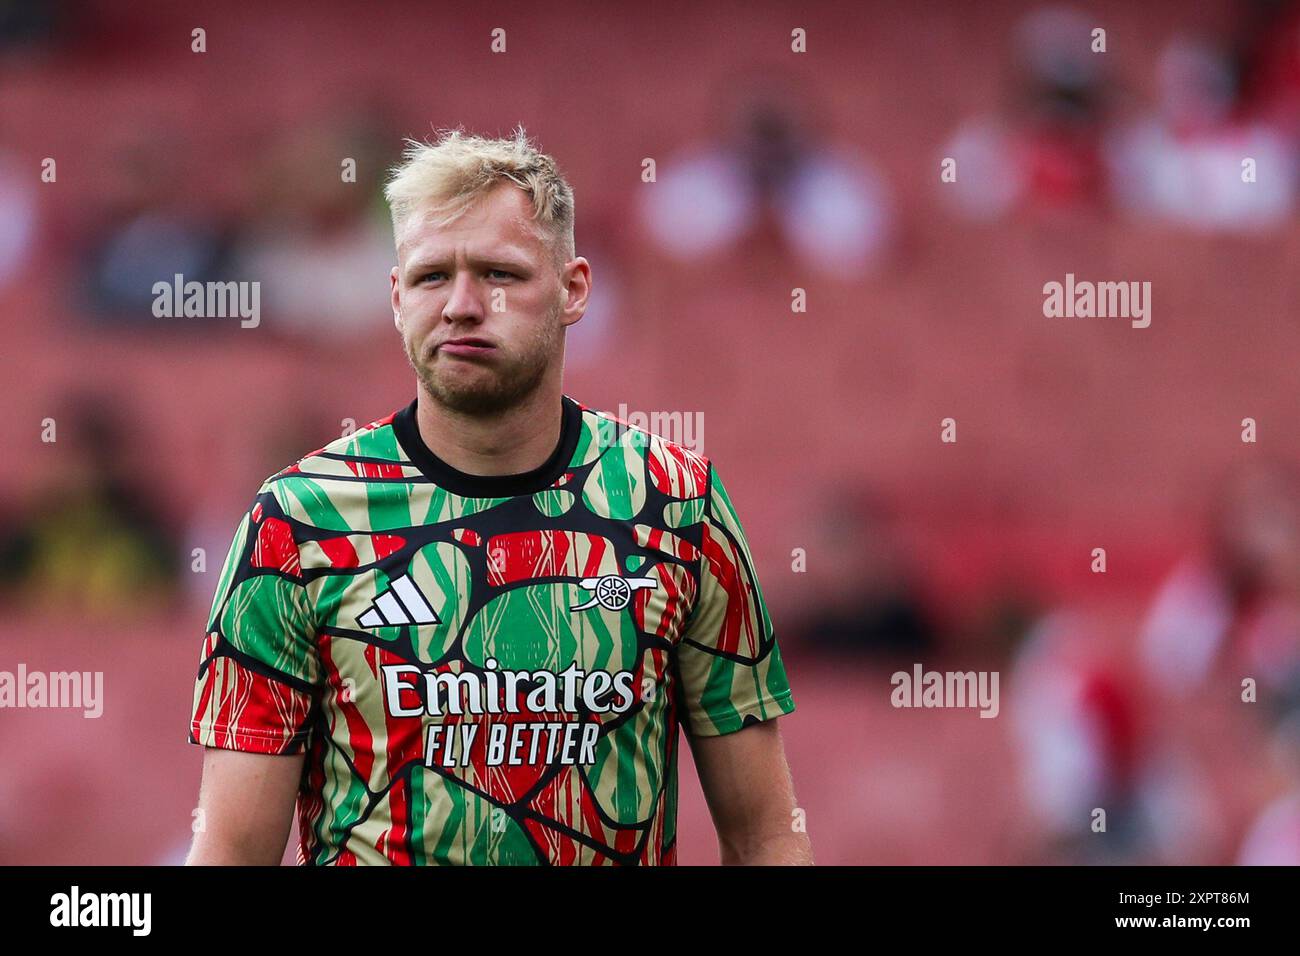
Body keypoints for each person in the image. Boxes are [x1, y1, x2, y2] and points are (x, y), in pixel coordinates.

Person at [185, 127, 808, 866]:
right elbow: (231, 852)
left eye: (499, 273)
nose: (462, 305)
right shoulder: (297, 521)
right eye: (428, 277)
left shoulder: (678, 504)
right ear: (395, 298)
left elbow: (765, 836)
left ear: (574, 288)